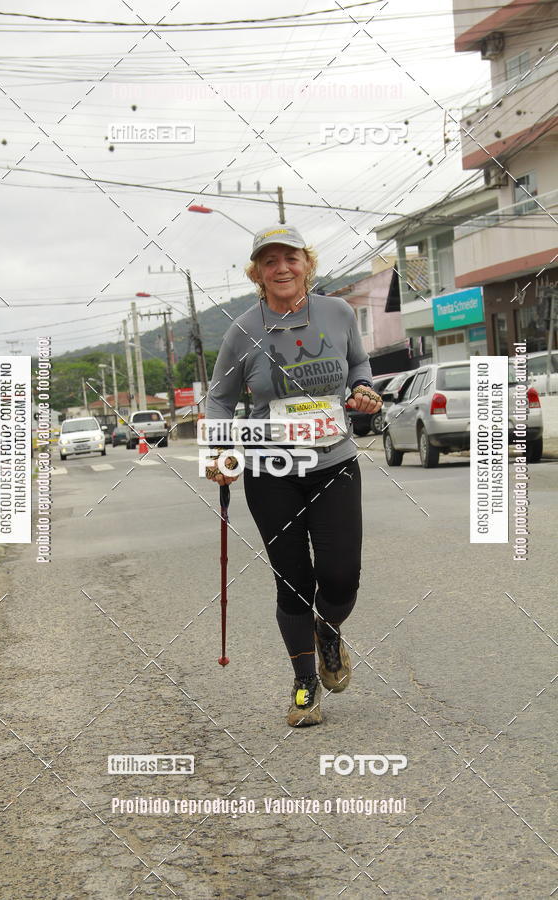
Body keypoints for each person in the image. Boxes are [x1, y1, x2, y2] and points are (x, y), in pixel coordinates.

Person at [204, 224, 383, 727]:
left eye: (291, 258)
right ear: (257, 273)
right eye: (269, 261)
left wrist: (364, 387)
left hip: (333, 460)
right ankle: (305, 684)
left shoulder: (339, 312)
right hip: (270, 467)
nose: (281, 268)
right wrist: (218, 451)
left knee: (342, 574)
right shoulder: (242, 330)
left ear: (307, 263)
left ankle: (328, 631)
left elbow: (358, 364)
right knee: (293, 580)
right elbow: (219, 397)